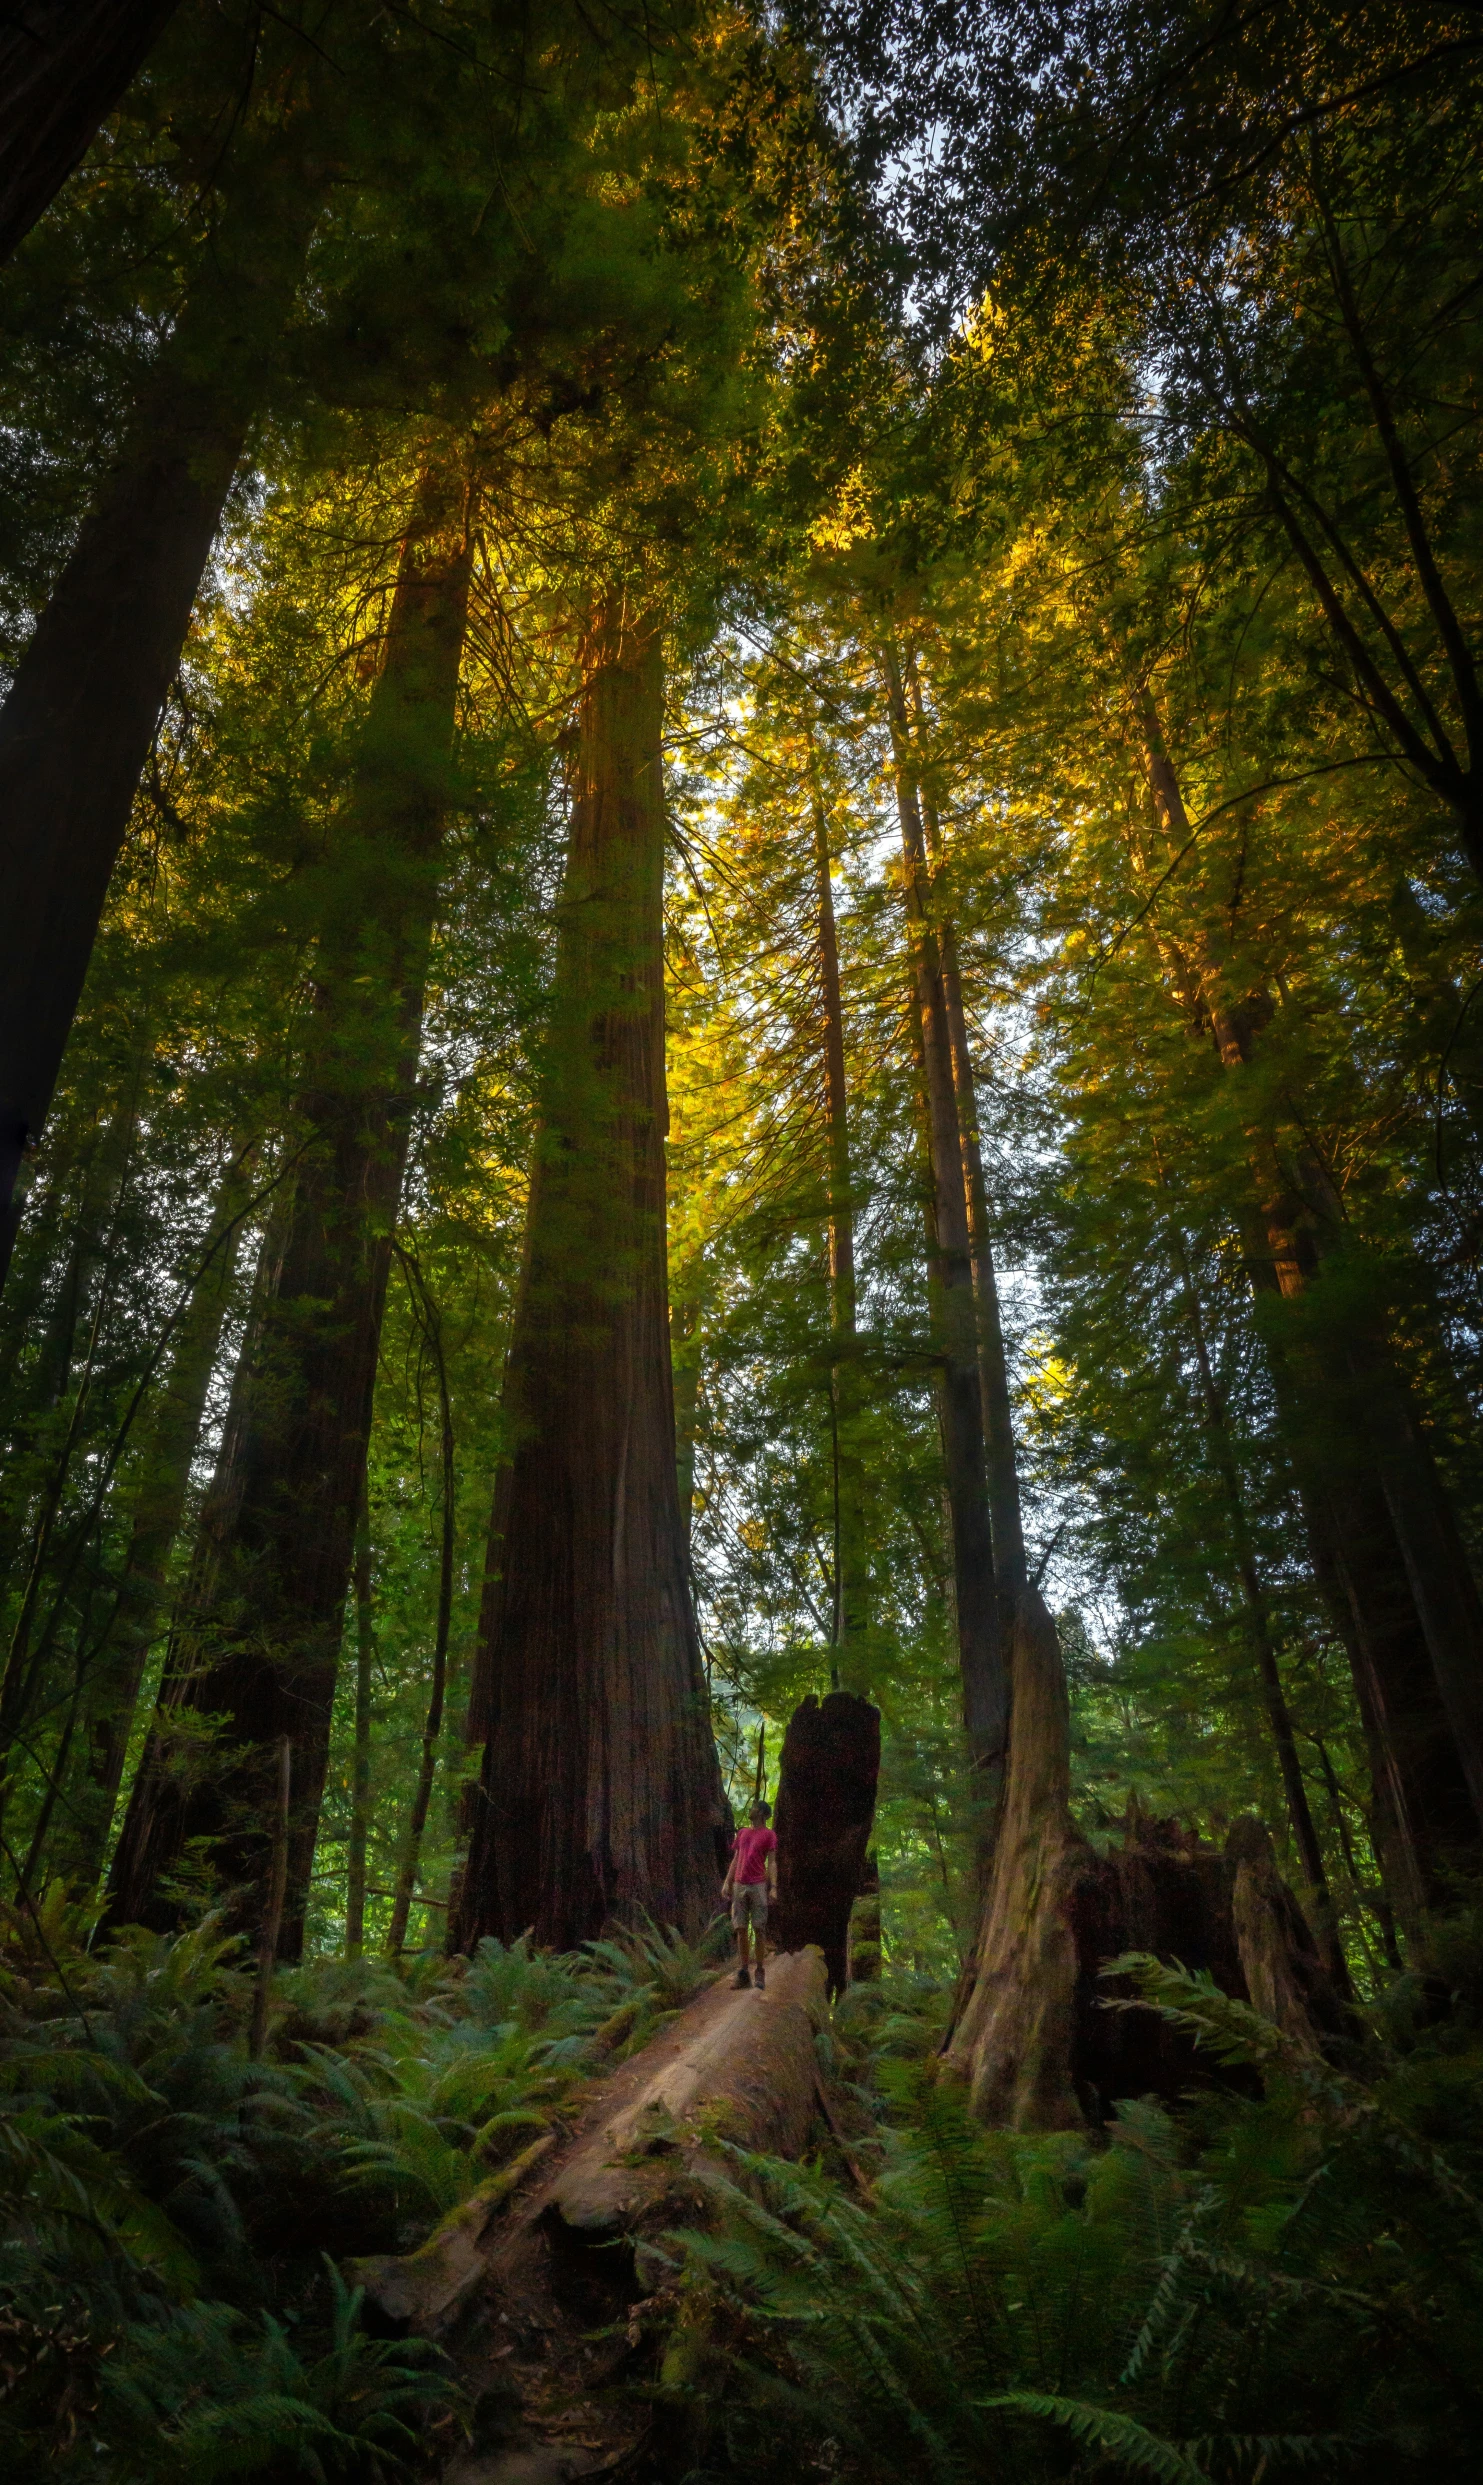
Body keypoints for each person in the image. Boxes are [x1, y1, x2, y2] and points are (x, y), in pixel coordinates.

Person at [722, 1798, 778, 1989]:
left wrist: (774, 1887)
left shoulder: (769, 1835)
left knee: (759, 1928)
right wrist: (727, 1882)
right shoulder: (743, 1832)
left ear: (761, 1813)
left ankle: (760, 1971)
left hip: (758, 1885)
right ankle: (744, 1971)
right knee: (740, 1929)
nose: (751, 1809)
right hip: (739, 1885)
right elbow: (736, 1859)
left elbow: (772, 1862)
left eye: (754, 1807)